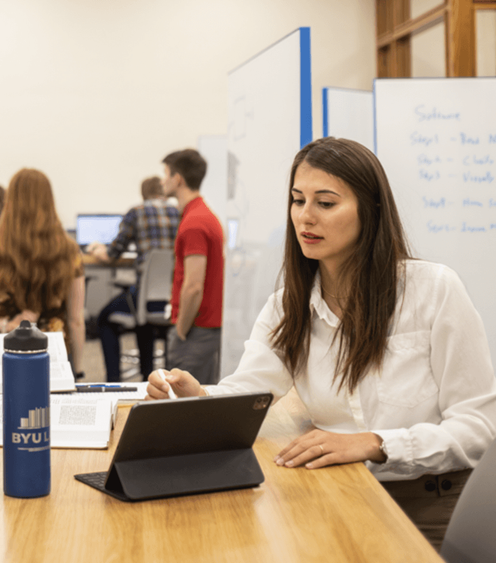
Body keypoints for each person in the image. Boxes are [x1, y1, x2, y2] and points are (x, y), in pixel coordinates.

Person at [146, 137, 496, 550]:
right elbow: (250, 389)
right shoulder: (287, 307)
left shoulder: (433, 290)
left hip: (429, 502)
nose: (305, 217)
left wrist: (378, 443)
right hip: (336, 492)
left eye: (325, 203)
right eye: (298, 200)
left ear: (371, 209)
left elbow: (478, 427)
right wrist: (199, 397)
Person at [0, 168, 85, 377]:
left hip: (1, 355)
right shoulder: (69, 250)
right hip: (52, 358)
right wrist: (78, 372)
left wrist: (5, 325)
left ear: (9, 201)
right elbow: (76, 320)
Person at [86, 176, 180, 382]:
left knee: (105, 318)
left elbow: (113, 253)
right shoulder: (179, 212)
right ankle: (151, 376)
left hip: (144, 300)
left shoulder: (136, 213)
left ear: (143, 194)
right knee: (141, 314)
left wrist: (97, 249)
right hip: (173, 300)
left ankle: (114, 380)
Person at [162, 149, 223, 384]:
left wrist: (180, 330)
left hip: (195, 330)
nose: (162, 181)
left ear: (177, 179)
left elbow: (193, 286)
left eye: (166, 174)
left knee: (186, 400)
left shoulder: (194, 223)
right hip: (205, 329)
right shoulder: (203, 215)